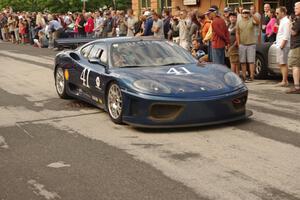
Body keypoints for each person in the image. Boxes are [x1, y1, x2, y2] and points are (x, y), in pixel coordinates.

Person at [236, 9, 260, 81]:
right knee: (243, 61)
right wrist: (238, 43)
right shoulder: (239, 22)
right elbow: (237, 32)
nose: (245, 14)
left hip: (251, 44)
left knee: (251, 61)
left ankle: (252, 76)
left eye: (247, 12)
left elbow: (258, 22)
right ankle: (244, 76)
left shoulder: (251, 20)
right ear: (241, 14)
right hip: (242, 44)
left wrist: (252, 14)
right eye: (244, 12)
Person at [275, 6, 291, 87]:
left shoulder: (286, 21)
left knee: (283, 63)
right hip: (281, 45)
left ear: (283, 13)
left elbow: (286, 35)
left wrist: (281, 46)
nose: (276, 14)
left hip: (283, 46)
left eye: (277, 13)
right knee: (281, 63)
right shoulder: (282, 21)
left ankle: (284, 81)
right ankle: (285, 80)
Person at [286, 2, 300, 94]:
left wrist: (290, 23)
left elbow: (293, 32)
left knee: (295, 66)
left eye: (296, 8)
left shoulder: (299, 20)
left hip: (296, 46)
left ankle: (297, 87)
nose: (294, 9)